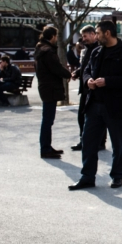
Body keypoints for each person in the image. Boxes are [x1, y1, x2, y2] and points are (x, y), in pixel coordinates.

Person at [68, 20, 122, 190]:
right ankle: (87, 176)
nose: (96, 36)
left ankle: (117, 176)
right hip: (94, 105)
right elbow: (86, 71)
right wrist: (88, 81)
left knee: (117, 144)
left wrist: (107, 81)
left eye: (98, 33)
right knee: (88, 142)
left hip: (115, 107)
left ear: (107, 33)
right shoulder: (96, 52)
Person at [34, 27, 72, 158]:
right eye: (56, 36)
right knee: (48, 120)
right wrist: (68, 74)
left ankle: (47, 146)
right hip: (50, 88)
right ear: (52, 36)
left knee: (47, 120)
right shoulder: (48, 52)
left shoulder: (40, 49)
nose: (56, 39)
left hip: (45, 87)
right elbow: (57, 68)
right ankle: (45, 149)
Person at [70, 26, 106, 151]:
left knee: (95, 118)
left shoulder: (98, 49)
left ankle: (99, 142)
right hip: (86, 88)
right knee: (82, 116)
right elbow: (86, 67)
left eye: (85, 36)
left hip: (94, 89)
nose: (83, 39)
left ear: (93, 34)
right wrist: (77, 73)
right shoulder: (87, 49)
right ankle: (84, 140)